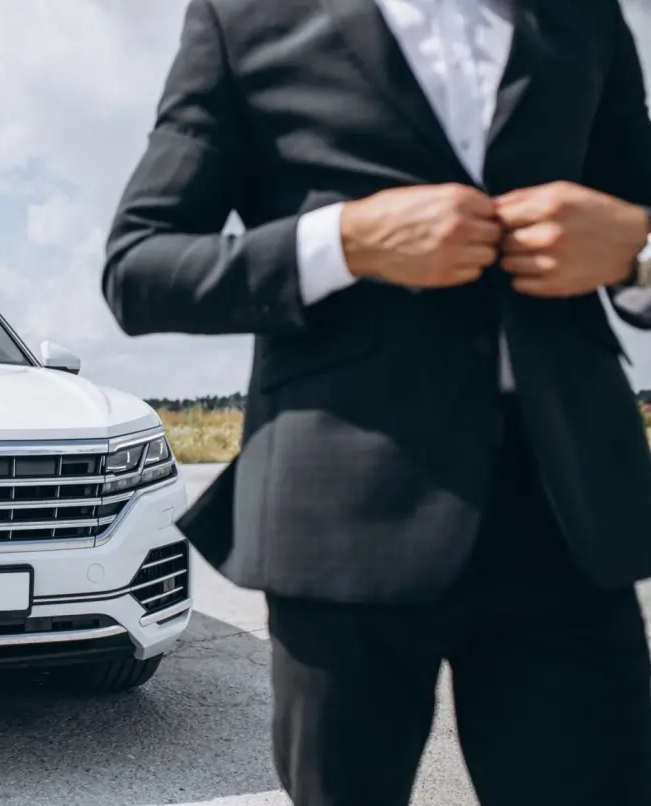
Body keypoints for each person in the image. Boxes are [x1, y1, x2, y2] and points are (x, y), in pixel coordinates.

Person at [101, 1, 651, 804]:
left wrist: (634, 252)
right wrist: (344, 242)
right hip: (338, 512)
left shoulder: (584, 15)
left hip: (565, 511)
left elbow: (633, 213)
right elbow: (139, 269)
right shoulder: (241, 17)